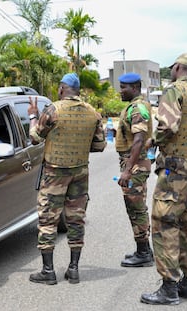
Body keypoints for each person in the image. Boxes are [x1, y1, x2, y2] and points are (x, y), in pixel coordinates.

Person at [27, 73, 106, 285]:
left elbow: (34, 136)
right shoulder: (93, 113)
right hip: (80, 173)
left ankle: (48, 271)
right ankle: (73, 269)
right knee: (76, 219)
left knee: (47, 219)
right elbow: (99, 146)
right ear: (78, 90)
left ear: (62, 89)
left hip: (54, 173)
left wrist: (33, 116)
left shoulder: (53, 110)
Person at [141, 53, 187, 305]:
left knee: (165, 224)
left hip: (176, 170)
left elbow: (169, 127)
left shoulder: (174, 90)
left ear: (177, 68)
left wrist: (155, 141)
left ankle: (168, 288)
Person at [113, 73, 154, 268]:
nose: (120, 91)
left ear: (135, 88)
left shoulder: (137, 108)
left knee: (135, 208)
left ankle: (144, 252)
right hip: (136, 163)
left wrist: (128, 169)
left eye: (124, 87)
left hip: (135, 164)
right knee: (137, 207)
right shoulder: (136, 106)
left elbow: (138, 140)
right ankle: (143, 249)